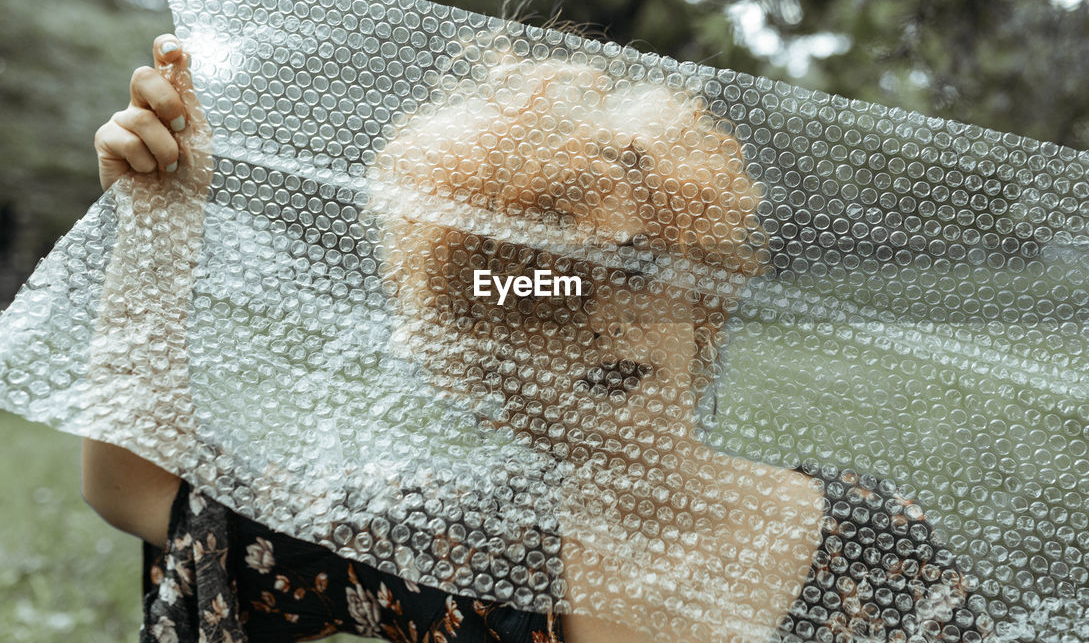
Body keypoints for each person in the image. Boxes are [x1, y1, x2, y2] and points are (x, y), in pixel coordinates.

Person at [84, 33, 987, 643]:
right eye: (536, 289)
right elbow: (139, 489)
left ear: (707, 298)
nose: (596, 316)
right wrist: (162, 223)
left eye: (634, 266)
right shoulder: (452, 544)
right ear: (479, 355)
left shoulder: (867, 539)